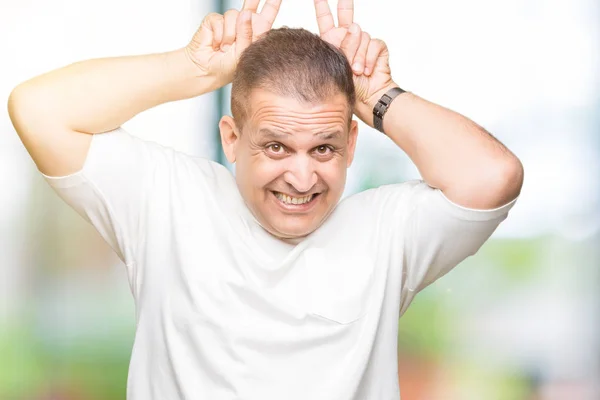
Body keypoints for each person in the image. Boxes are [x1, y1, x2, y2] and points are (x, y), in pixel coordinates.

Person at [8, 0, 523, 399]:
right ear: (232, 139)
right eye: (276, 146)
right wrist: (195, 70)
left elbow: (492, 175)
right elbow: (38, 109)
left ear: (350, 144)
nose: (301, 178)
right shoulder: (165, 199)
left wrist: (378, 95)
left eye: (324, 147)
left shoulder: (386, 229)